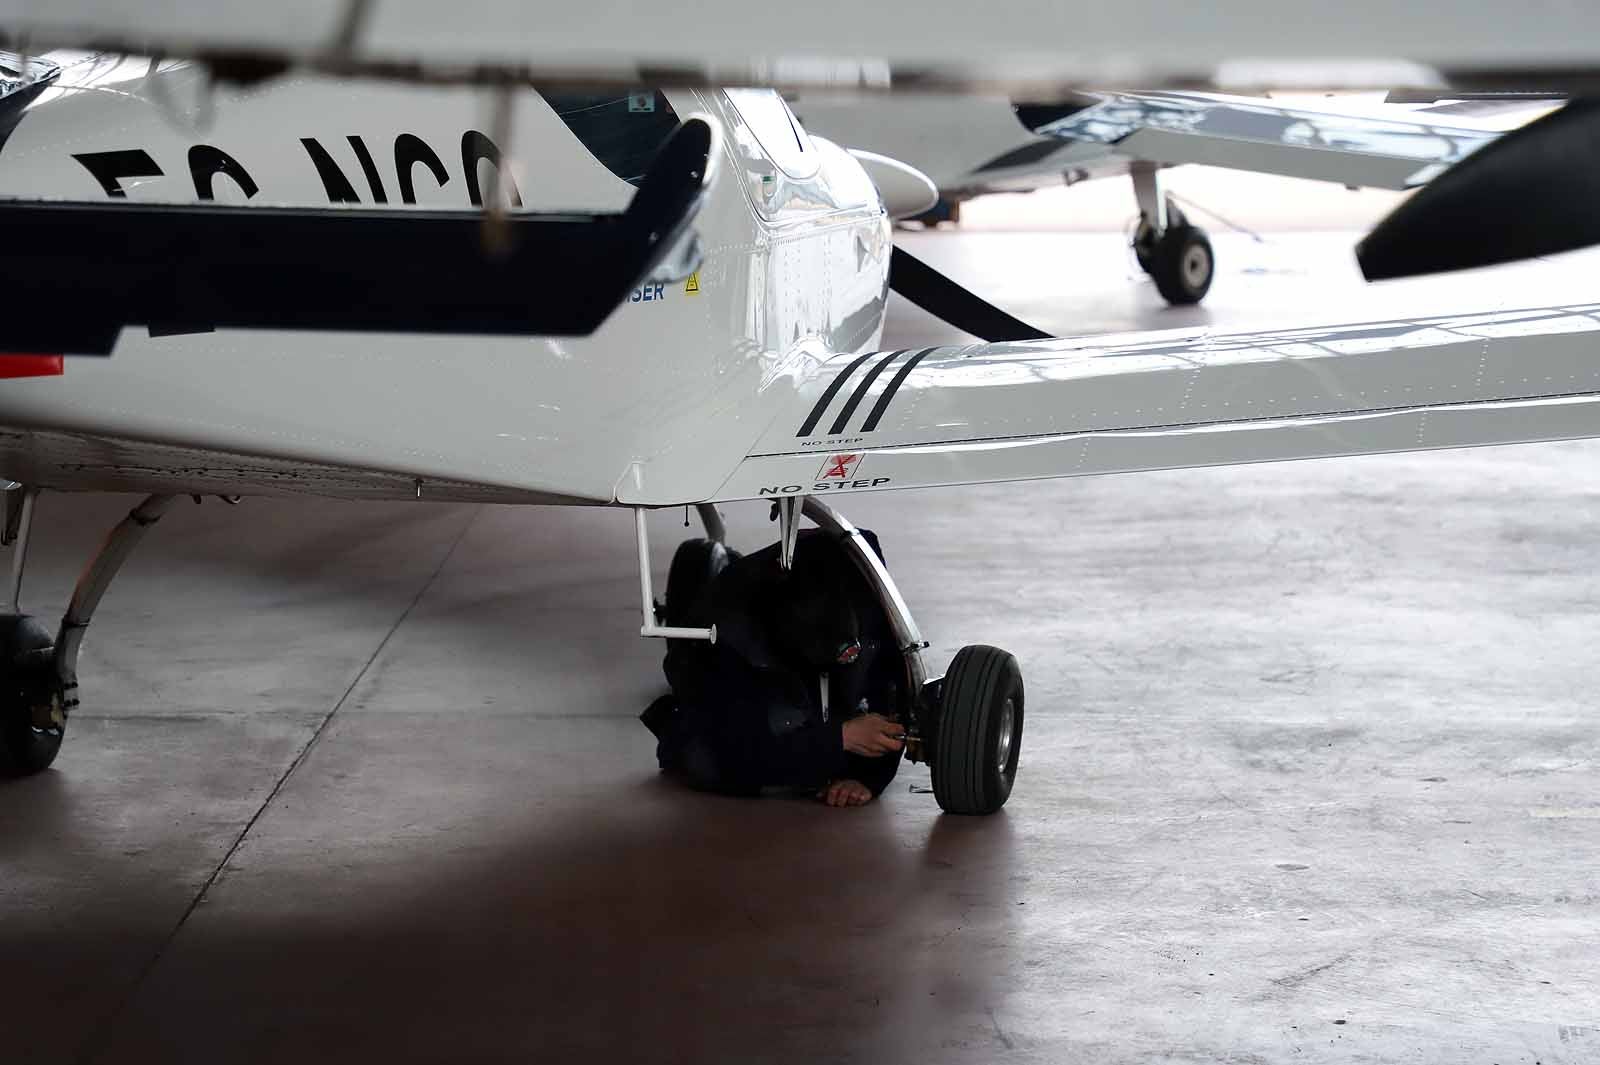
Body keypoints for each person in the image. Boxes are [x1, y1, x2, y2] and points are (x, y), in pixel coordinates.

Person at [640, 528, 906, 806]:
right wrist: (840, 739)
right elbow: (731, 756)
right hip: (740, 678)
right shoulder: (725, 638)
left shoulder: (864, 581)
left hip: (826, 623)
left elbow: (893, 686)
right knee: (703, 760)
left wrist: (869, 776)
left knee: (867, 671)